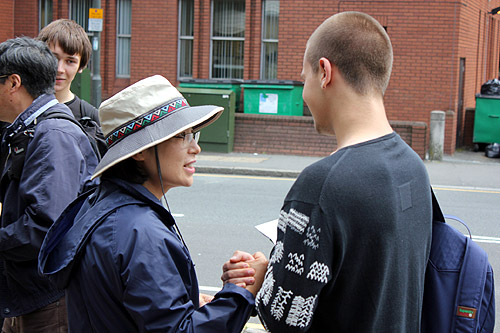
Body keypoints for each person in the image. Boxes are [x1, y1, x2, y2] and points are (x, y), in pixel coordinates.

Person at [38, 75, 268, 332]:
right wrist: (242, 291)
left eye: (194, 135)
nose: (195, 148)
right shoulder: (140, 232)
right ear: (140, 150)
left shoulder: (105, 207)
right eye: (182, 135)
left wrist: (192, 303)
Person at [254, 12, 432, 332]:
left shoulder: (321, 185)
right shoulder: (414, 167)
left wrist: (263, 278)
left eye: (304, 78)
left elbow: (281, 319)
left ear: (324, 72)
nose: (305, 93)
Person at [0, 37, 98, 331]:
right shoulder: (33, 128)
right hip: (28, 296)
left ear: (13, 83)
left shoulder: (53, 134)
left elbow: (46, 228)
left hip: (47, 301)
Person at [37, 19, 99, 124]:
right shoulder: (18, 109)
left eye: (70, 61)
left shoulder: (91, 117)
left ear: (81, 66)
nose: (59, 69)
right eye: (53, 58)